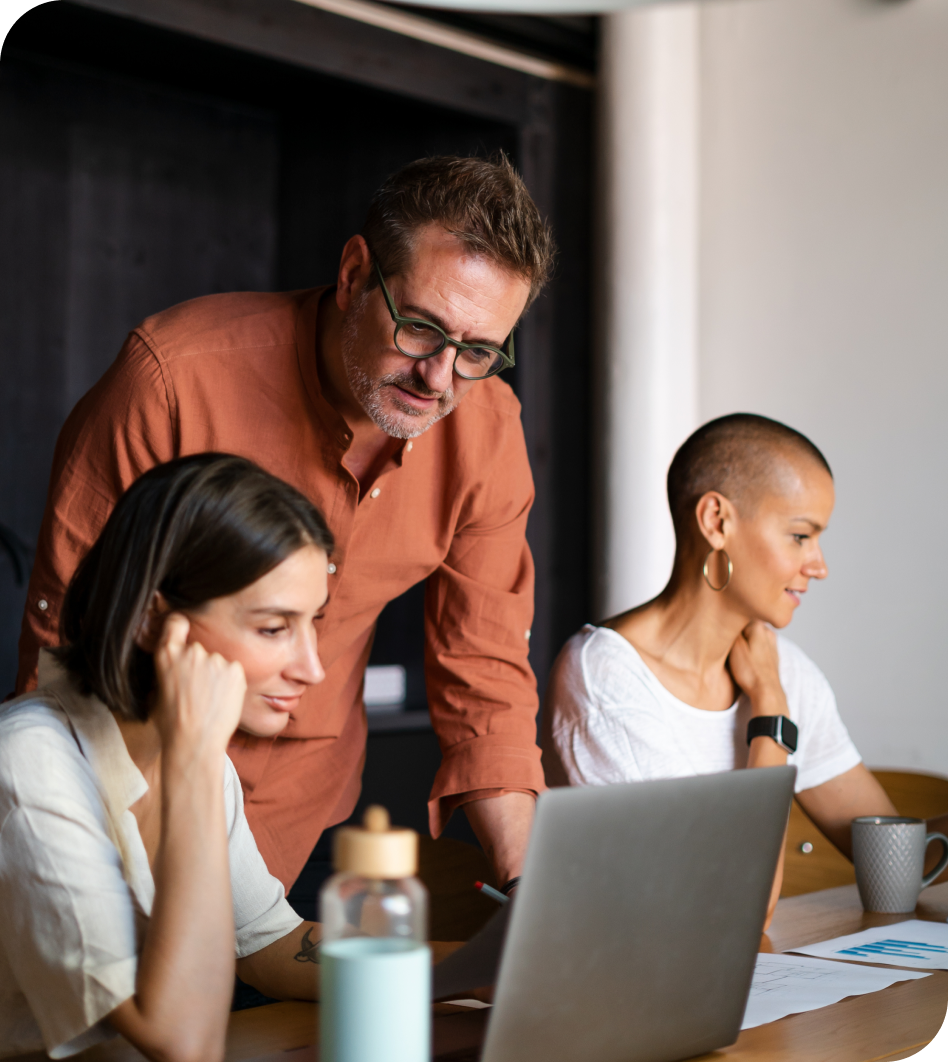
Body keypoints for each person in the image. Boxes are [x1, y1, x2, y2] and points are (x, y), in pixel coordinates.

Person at [16, 154, 554, 898]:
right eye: (422, 330)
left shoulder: (487, 431)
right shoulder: (174, 380)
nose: (440, 379)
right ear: (355, 273)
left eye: (478, 352)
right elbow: (67, 650)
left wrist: (529, 896)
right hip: (131, 819)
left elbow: (486, 670)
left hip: (307, 824)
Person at [0, 455, 335, 1060]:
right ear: (156, 621)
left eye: (314, 623)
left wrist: (474, 966)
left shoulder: (191, 750)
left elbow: (269, 946)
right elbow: (183, 1043)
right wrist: (195, 763)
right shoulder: (29, 768)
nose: (313, 668)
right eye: (273, 628)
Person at [542, 413, 898, 915]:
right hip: (627, 985)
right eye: (800, 536)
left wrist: (774, 690)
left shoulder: (780, 667)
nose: (819, 565)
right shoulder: (605, 677)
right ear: (716, 521)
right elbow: (730, 909)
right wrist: (770, 717)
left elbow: (897, 865)